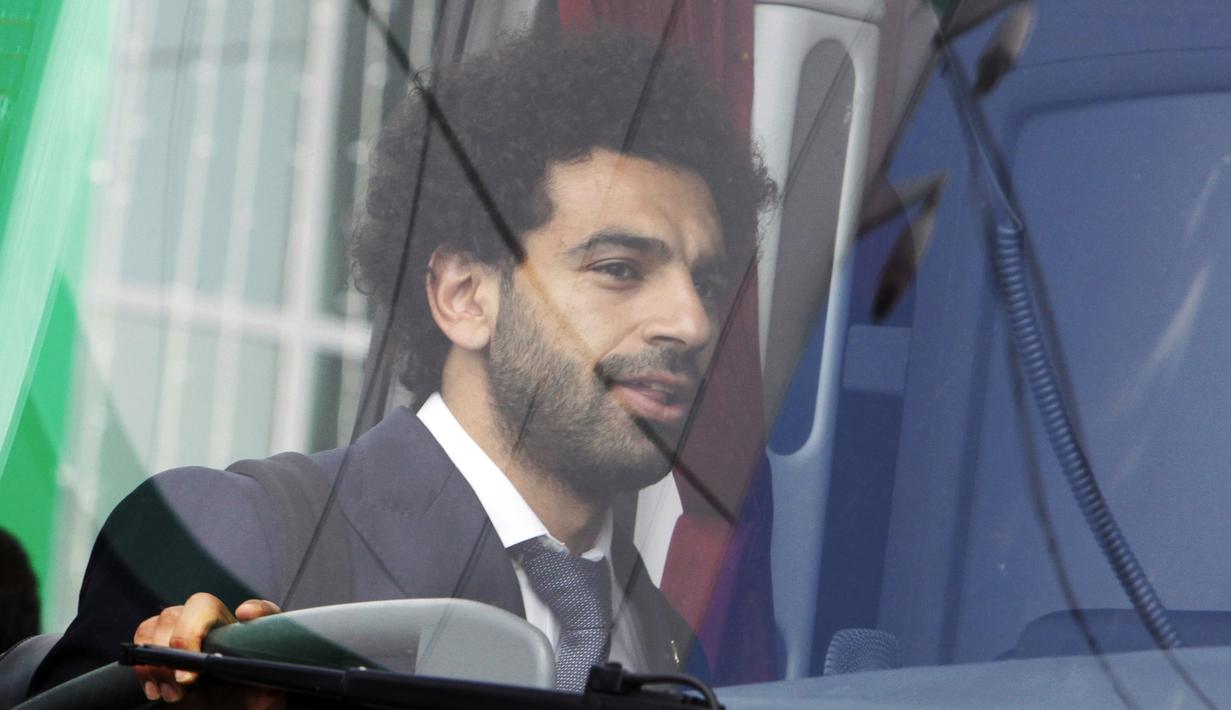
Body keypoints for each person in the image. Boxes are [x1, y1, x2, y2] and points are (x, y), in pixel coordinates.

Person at [31, 26, 775, 703]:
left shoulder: (677, 648)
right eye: (618, 268)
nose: (692, 322)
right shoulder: (238, 537)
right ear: (463, 295)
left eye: (709, 284)